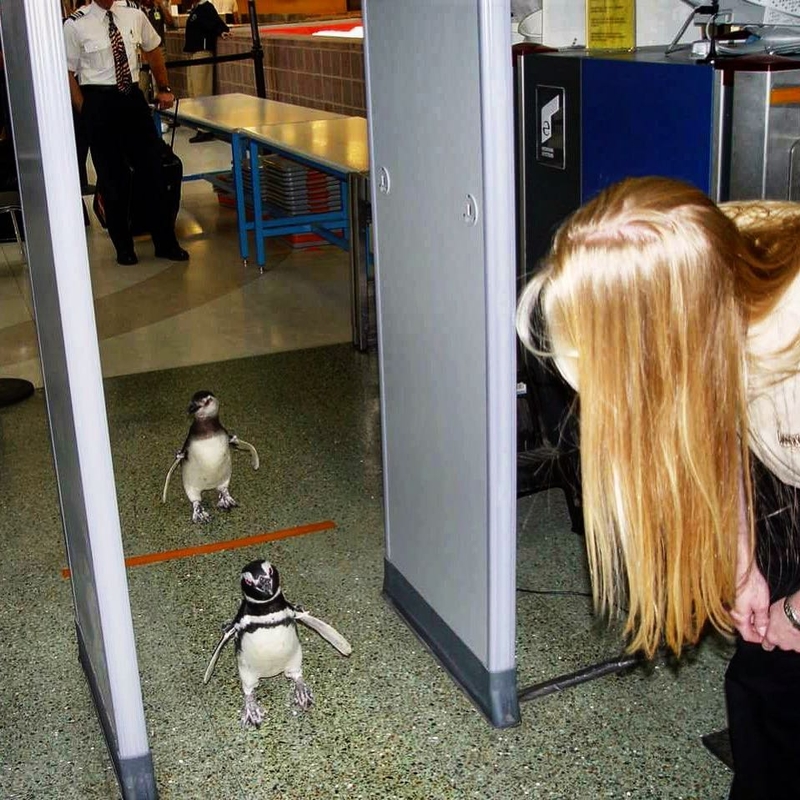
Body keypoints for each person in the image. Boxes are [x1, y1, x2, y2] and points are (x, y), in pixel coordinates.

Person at [516, 175, 800, 799]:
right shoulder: (701, 260)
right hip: (781, 475)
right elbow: (713, 407)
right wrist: (743, 556)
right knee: (767, 690)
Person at [64, 0, 189, 265]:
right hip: (98, 100)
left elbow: (153, 49)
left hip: (131, 98)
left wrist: (163, 86)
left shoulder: (134, 15)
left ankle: (165, 241)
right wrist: (85, 109)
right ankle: (124, 247)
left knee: (154, 172)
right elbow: (68, 73)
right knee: (113, 179)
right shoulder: (76, 24)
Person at [183, 0, 231, 142]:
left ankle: (206, 128)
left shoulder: (206, 7)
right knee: (193, 90)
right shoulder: (196, 8)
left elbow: (216, 22)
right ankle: (199, 125)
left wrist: (223, 31)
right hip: (193, 52)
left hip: (202, 52)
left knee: (201, 91)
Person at [137, 0, 176, 101]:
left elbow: (171, 23)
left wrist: (162, 6)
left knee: (159, 84)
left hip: (159, 50)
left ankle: (161, 113)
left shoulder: (158, 9)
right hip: (142, 52)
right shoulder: (137, 10)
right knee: (142, 84)